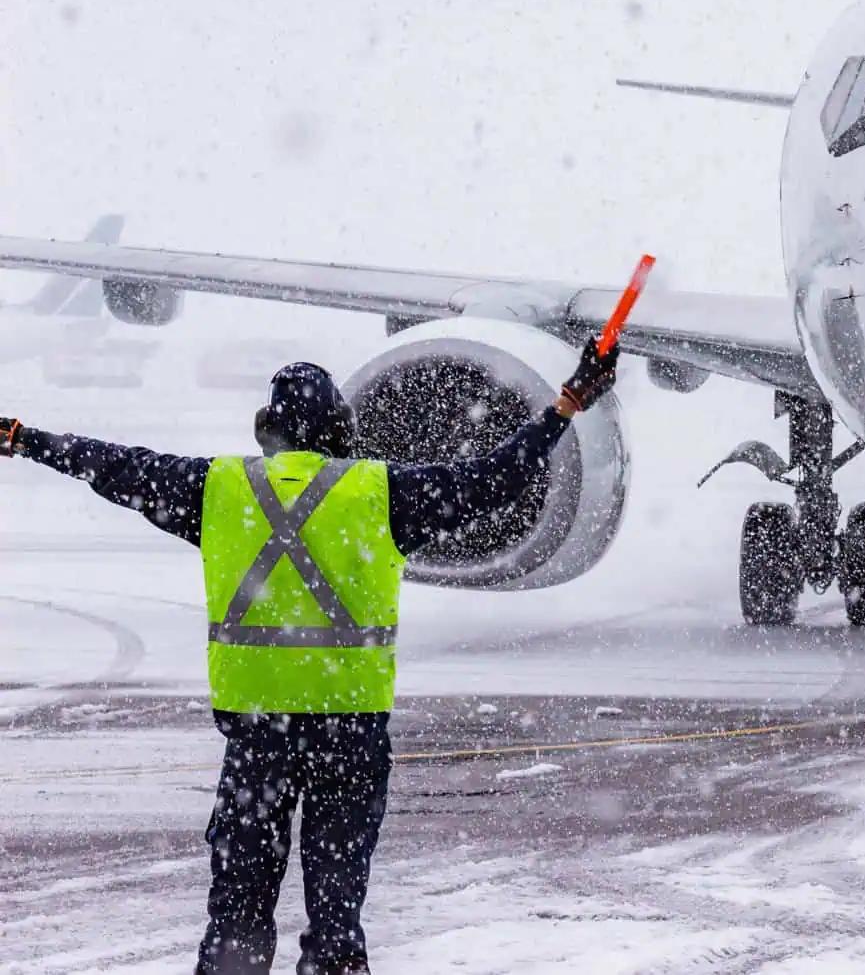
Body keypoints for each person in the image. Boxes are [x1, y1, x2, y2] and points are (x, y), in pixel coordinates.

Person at [0, 336, 621, 975]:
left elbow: (116, 466)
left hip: (257, 736)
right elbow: (497, 479)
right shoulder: (380, 494)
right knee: (335, 911)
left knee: (238, 913)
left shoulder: (218, 490)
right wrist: (565, 406)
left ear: (268, 430)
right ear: (340, 430)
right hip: (349, 734)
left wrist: (24, 438)